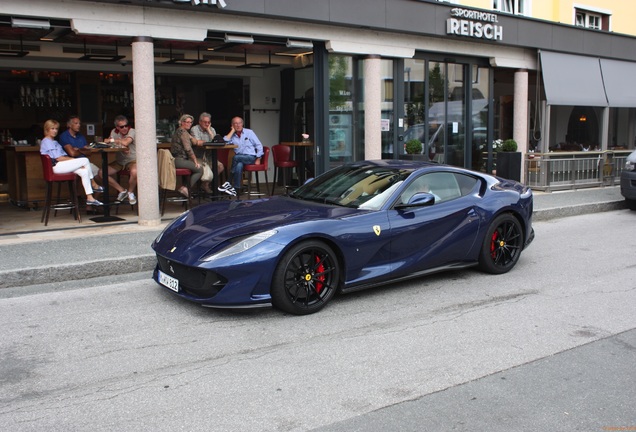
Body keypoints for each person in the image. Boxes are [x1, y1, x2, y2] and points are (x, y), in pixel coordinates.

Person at [39, 119, 103, 206]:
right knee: (85, 160)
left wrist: (76, 163)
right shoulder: (47, 141)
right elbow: (59, 158)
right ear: (47, 129)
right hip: (55, 167)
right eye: (52, 128)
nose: (55, 131)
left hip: (61, 165)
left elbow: (64, 157)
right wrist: (76, 161)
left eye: (56, 129)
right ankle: (94, 184)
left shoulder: (54, 142)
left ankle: (89, 197)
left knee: (84, 171)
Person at [59, 115, 103, 193]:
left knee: (100, 176)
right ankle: (80, 196)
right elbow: (72, 153)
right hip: (71, 164)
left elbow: (89, 152)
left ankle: (94, 200)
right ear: (69, 125)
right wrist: (82, 150)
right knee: (84, 171)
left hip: (86, 162)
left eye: (79, 123)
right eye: (76, 123)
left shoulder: (81, 136)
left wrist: (78, 150)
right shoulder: (64, 136)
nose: (79, 125)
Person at [223, 116, 263, 194]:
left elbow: (259, 145)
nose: (238, 125)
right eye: (235, 123)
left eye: (239, 123)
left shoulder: (249, 132)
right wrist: (232, 131)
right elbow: (224, 141)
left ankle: (229, 181)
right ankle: (237, 189)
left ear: (242, 124)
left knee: (235, 157)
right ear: (232, 125)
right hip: (240, 159)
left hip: (251, 157)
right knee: (238, 166)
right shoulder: (233, 135)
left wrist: (258, 158)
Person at [105, 115, 137, 205]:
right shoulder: (113, 132)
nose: (125, 128)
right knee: (101, 173)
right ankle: (122, 191)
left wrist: (113, 141)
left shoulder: (132, 131)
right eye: (122, 127)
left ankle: (130, 193)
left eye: (126, 125)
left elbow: (126, 142)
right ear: (117, 127)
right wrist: (115, 142)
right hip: (120, 161)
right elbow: (108, 143)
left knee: (135, 172)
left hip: (132, 160)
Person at [189, 112, 225, 193]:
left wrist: (209, 131)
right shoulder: (194, 129)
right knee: (205, 170)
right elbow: (198, 142)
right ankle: (204, 186)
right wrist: (205, 142)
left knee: (220, 167)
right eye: (205, 122)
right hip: (197, 157)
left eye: (209, 122)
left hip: (209, 157)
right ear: (200, 122)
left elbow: (216, 141)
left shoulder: (211, 129)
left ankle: (205, 185)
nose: (207, 124)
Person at [170, 114, 203, 198]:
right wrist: (195, 161)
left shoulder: (180, 131)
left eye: (190, 122)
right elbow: (188, 149)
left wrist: (193, 139)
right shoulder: (183, 133)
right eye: (187, 122)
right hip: (180, 160)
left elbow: (194, 141)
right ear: (181, 122)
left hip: (176, 160)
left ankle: (184, 188)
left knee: (195, 168)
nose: (189, 124)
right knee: (199, 169)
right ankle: (185, 188)